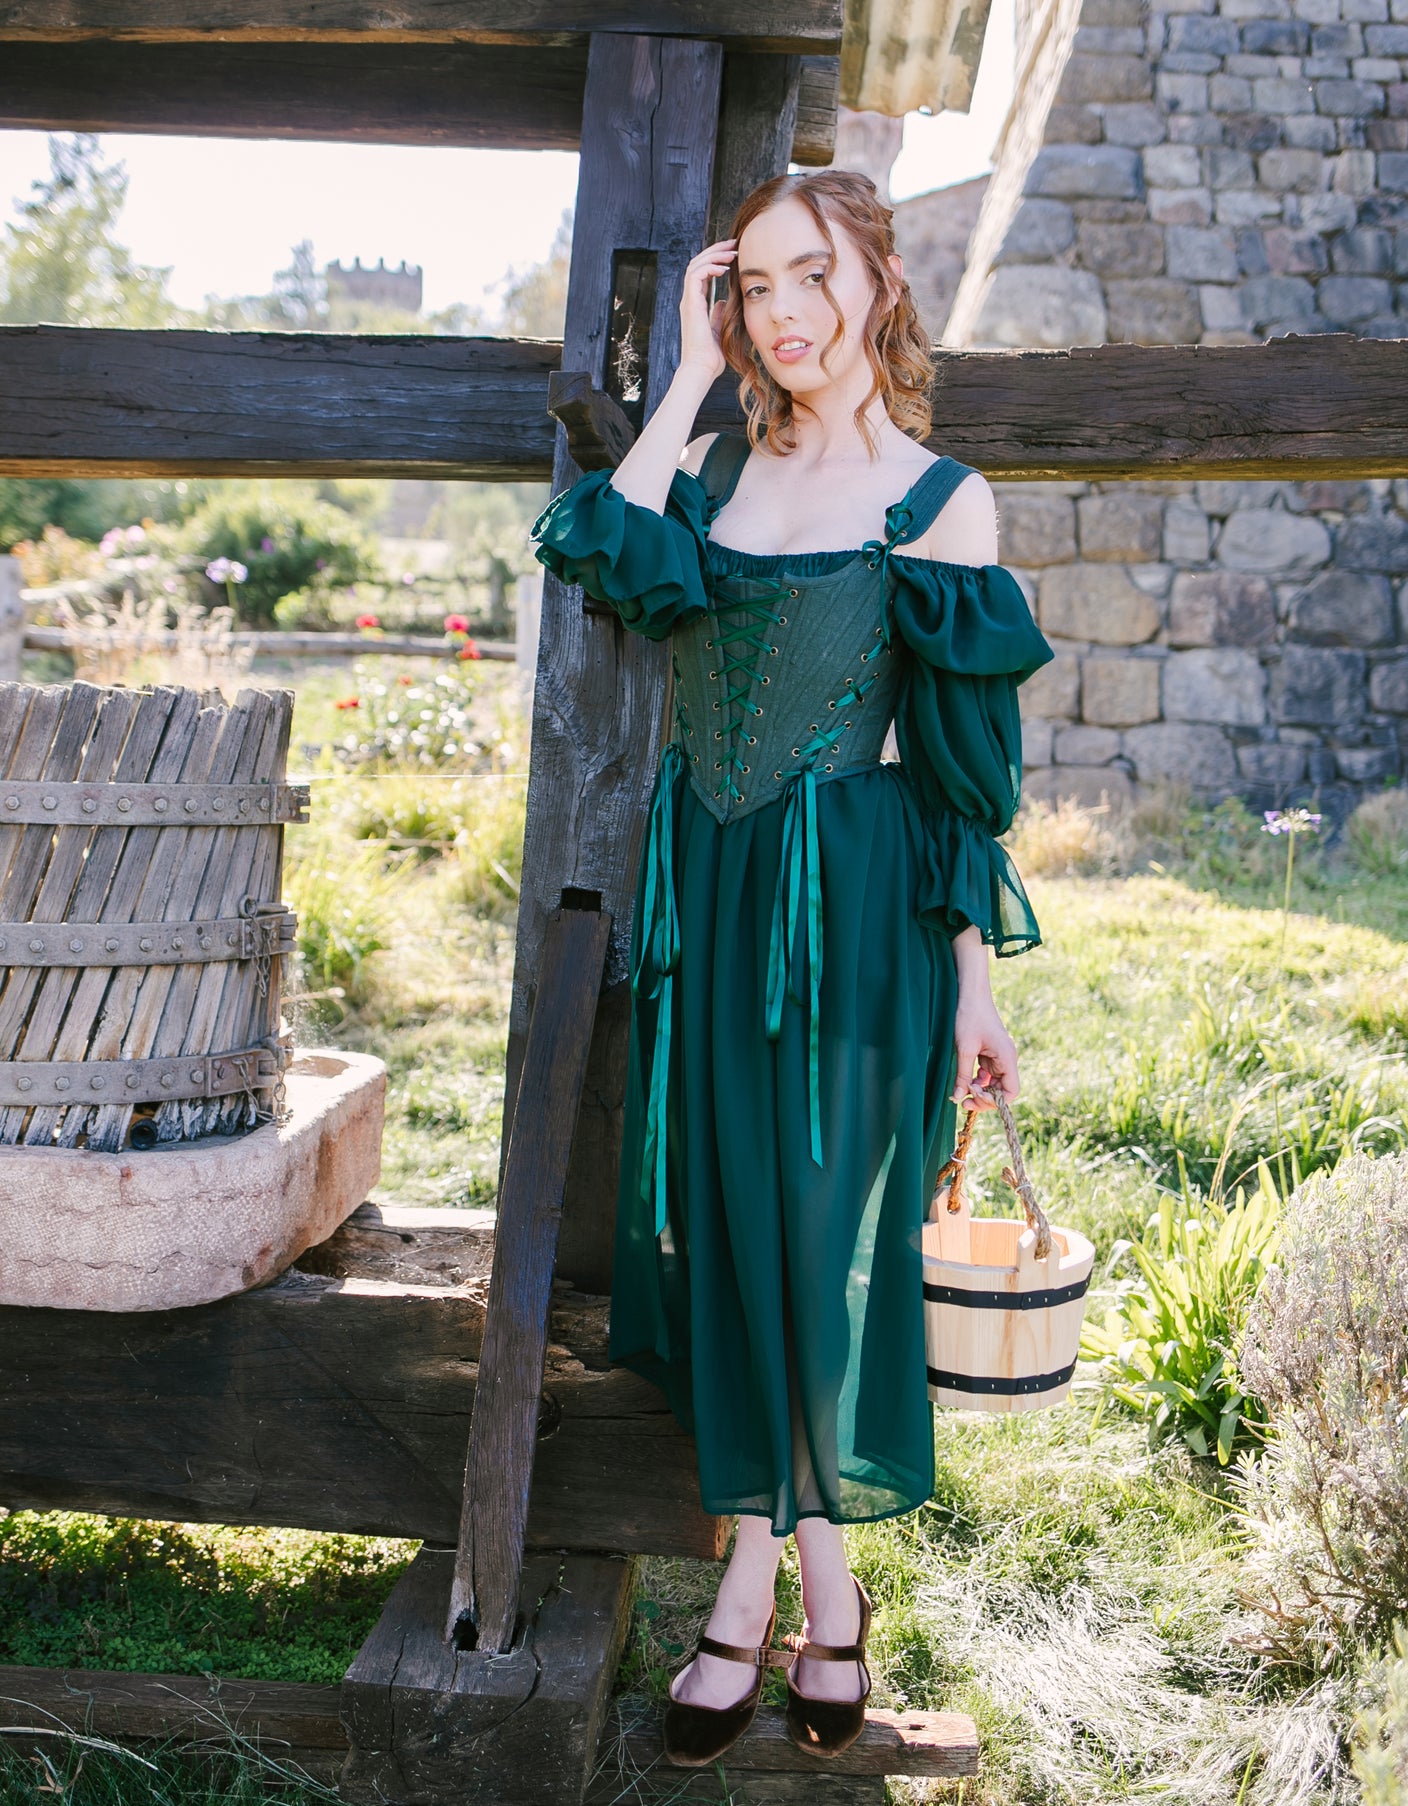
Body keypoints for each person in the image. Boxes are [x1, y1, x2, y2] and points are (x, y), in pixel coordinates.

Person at [530, 168, 1053, 1766]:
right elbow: (594, 546)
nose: (786, 313)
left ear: (877, 284)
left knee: (829, 1234)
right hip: (710, 899)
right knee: (731, 1240)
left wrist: (974, 980)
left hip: (855, 905)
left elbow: (965, 773)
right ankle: (811, 1594)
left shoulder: (932, 500)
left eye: (811, 276)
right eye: (754, 286)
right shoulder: (705, 475)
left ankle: (760, 1598)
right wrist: (683, 372)